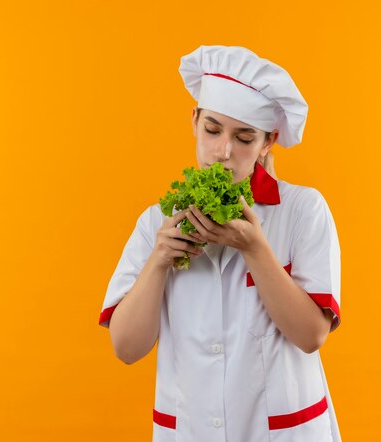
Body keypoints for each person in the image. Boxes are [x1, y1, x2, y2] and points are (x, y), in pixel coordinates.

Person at [99, 45, 342, 442]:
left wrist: (255, 249)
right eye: (212, 130)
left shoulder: (303, 210)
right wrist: (160, 260)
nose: (223, 152)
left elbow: (310, 336)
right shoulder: (155, 223)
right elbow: (126, 348)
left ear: (268, 142)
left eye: (244, 138)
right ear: (194, 120)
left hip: (282, 433)